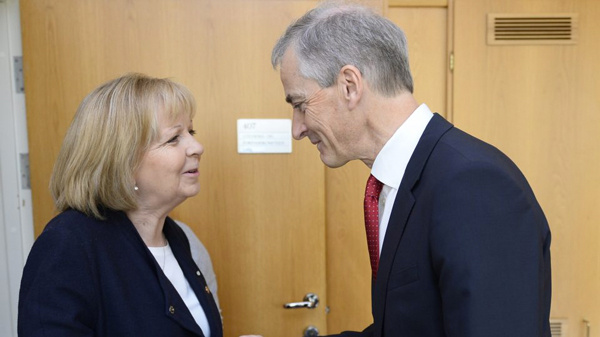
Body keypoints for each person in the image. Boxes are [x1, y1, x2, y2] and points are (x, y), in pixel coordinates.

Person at [271, 2, 552, 336]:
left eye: (301, 105)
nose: (297, 129)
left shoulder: (473, 185)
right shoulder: (399, 182)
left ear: (349, 85)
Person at [18, 73, 255, 337]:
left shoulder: (180, 238)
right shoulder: (69, 245)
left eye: (192, 131)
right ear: (123, 162)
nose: (197, 147)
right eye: (174, 138)